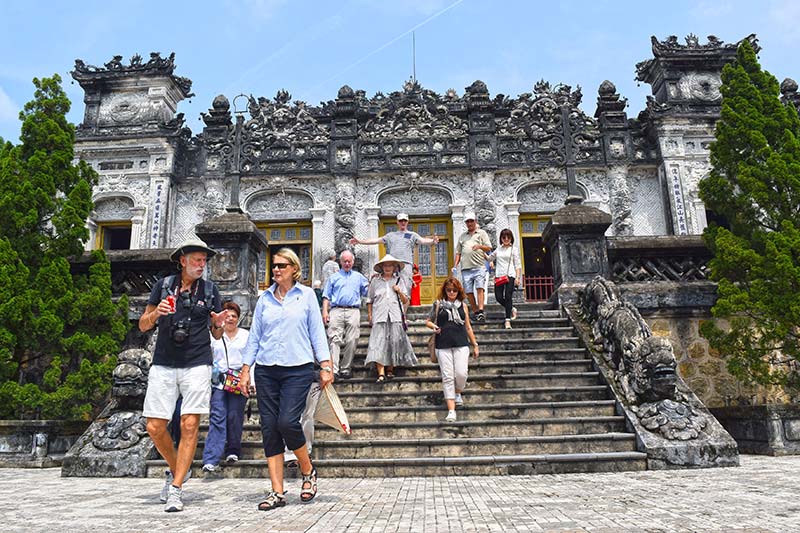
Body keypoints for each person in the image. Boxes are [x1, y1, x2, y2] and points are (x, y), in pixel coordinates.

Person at [138, 238, 230, 512]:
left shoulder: (211, 290)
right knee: (154, 426)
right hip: (164, 361)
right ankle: (179, 467)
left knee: (189, 423)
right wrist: (156, 313)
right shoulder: (163, 286)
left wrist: (218, 325)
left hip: (197, 361)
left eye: (204, 261)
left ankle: (176, 487)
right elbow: (143, 325)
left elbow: (216, 333)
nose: (202, 265)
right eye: (197, 260)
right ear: (182, 260)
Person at [239, 248, 333, 511]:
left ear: (294, 268)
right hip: (267, 370)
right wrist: (246, 369)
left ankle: (307, 470)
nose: (276, 270)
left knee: (287, 422)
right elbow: (255, 336)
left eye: (281, 266)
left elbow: (317, 332)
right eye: (274, 266)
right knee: (269, 429)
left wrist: (325, 365)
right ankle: (277, 491)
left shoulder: (306, 297)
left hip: (298, 368)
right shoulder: (265, 299)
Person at [202, 301, 250, 473]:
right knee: (217, 416)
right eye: (227, 315)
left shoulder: (246, 336)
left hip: (238, 379)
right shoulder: (214, 336)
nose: (230, 319)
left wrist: (251, 380)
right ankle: (211, 457)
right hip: (219, 380)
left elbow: (252, 359)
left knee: (234, 416)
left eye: (234, 316)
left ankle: (233, 449)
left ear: (238, 318)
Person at [425, 277, 479, 422]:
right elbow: (428, 321)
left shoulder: (463, 305)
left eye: (454, 290)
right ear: (445, 290)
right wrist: (433, 327)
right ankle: (451, 410)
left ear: (458, 291)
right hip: (442, 344)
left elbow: (467, 326)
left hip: (461, 343)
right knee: (448, 376)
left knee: (461, 373)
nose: (451, 293)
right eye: (449, 290)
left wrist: (475, 344)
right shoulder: (438, 305)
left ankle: (458, 391)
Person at [350, 212, 439, 296]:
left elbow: (423, 241)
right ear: (397, 222)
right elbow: (375, 240)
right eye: (401, 221)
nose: (403, 222)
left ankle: (403, 312)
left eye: (405, 221)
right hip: (392, 265)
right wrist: (360, 241)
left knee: (406, 291)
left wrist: (432, 241)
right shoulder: (390, 235)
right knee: (391, 289)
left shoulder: (412, 235)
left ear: (407, 222)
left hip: (406, 265)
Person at [365, 254, 417, 382]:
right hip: (379, 315)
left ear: (394, 267)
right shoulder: (375, 281)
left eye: (390, 265)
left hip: (395, 315)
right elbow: (369, 299)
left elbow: (405, 300)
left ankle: (390, 370)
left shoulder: (399, 280)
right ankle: (381, 373)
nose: (388, 268)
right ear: (382, 267)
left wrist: (399, 291)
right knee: (378, 343)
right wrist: (370, 315)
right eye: (385, 265)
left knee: (394, 342)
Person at [321, 250, 368, 379]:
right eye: (344, 261)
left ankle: (346, 368)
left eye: (349, 261)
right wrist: (325, 311)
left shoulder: (359, 277)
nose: (347, 263)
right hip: (336, 310)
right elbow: (326, 296)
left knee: (352, 339)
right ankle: (334, 369)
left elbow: (368, 291)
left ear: (353, 262)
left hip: (353, 310)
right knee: (334, 339)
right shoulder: (333, 278)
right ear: (340, 262)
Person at [453, 212, 492, 322]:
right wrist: (455, 265)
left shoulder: (481, 233)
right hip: (466, 268)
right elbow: (458, 253)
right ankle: (475, 311)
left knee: (480, 288)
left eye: (471, 221)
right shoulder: (462, 236)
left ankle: (480, 310)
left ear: (475, 221)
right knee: (468, 291)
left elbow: (489, 248)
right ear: (465, 223)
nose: (470, 223)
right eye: (468, 221)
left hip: (479, 266)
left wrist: (479, 246)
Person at [488, 228, 522, 329]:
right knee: (498, 297)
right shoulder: (498, 249)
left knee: (508, 296)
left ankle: (507, 320)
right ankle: (511, 308)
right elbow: (490, 258)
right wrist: (480, 249)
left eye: (508, 237)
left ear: (511, 238)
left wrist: (517, 277)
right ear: (501, 239)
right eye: (504, 237)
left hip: (510, 275)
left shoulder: (514, 249)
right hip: (499, 276)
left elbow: (518, 265)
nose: (506, 239)